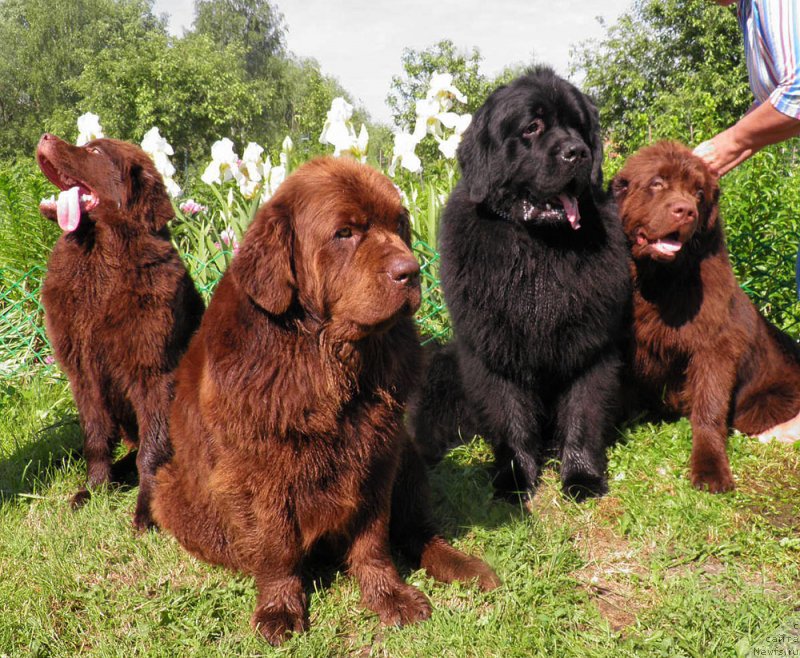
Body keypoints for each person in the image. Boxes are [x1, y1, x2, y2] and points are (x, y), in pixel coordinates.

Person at [694, 0, 800, 293]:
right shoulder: (748, 9)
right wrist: (713, 162)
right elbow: (775, 101)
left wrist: (726, 145)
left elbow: (797, 91)